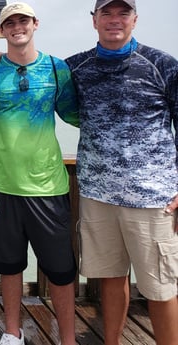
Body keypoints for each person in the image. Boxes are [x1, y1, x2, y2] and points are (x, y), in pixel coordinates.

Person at [0, 3, 80, 345]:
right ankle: (12, 334)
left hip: (49, 186)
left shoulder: (57, 69)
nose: (18, 27)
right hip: (2, 187)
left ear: (35, 24)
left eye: (23, 20)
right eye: (10, 23)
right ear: (1, 31)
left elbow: (75, 116)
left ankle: (69, 340)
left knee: (61, 272)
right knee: (9, 265)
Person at [65, 1, 178, 344]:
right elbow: (36, 72)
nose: (115, 21)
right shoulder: (76, 67)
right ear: (94, 20)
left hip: (154, 199)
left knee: (160, 288)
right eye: (107, 14)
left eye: (123, 13)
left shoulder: (163, 66)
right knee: (110, 279)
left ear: (135, 20)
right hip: (97, 195)